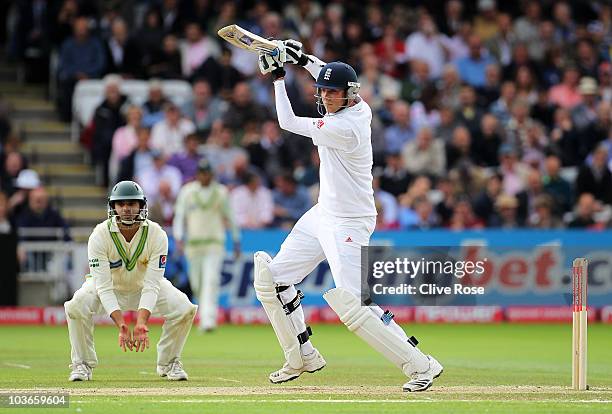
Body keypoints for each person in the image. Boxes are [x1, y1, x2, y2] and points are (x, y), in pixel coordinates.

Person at [254, 40, 443, 392]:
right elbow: (328, 72)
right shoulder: (360, 106)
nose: (325, 98)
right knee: (272, 280)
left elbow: (287, 120)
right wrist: (303, 59)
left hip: (350, 222)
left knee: (355, 302)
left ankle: (422, 366)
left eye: (332, 93)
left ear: (349, 94)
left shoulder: (348, 127)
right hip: (323, 212)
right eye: (322, 91)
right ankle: (302, 356)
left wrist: (279, 78)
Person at [63, 181, 197, 381]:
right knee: (75, 306)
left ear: (142, 206)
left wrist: (141, 321)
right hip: (109, 289)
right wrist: (122, 325)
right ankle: (81, 364)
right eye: (121, 204)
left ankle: (169, 363)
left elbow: (152, 284)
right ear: (113, 207)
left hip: (143, 287)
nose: (126, 209)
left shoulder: (157, 234)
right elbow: (103, 286)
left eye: (132, 204)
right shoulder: (99, 235)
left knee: (184, 308)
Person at [173, 159, 240, 332]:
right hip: (194, 245)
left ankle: (208, 321)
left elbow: (230, 217)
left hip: (214, 244)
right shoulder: (187, 192)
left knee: (211, 281)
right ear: (198, 174)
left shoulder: (221, 192)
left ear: (212, 174)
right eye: (202, 173)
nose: (205, 176)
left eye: (207, 173)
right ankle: (204, 316)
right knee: (197, 284)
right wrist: (179, 237)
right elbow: (180, 216)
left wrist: (236, 239)